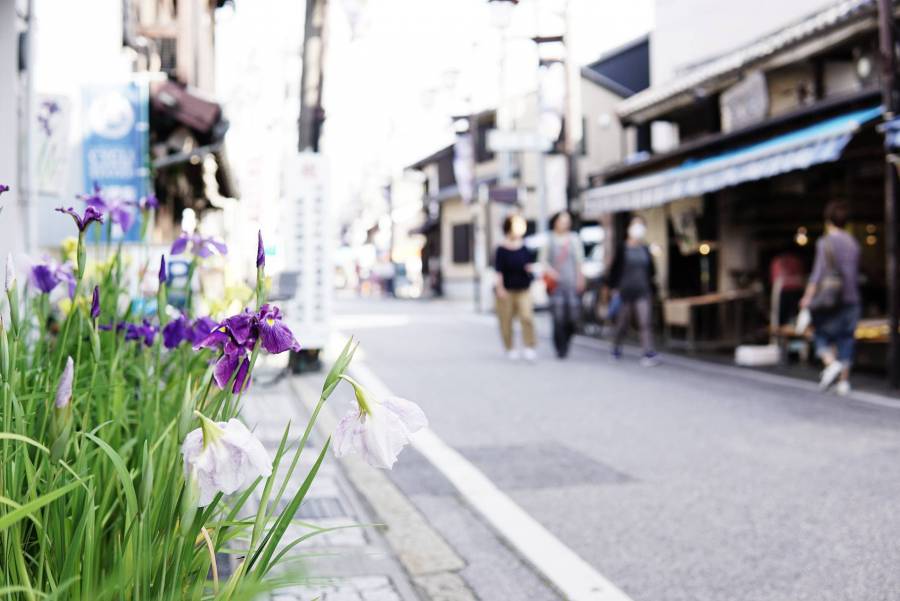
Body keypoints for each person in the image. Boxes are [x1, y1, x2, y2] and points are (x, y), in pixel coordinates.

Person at [800, 200, 860, 395]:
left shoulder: (825, 243)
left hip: (830, 299)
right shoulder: (854, 243)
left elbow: (817, 275)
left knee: (821, 334)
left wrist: (807, 298)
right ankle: (844, 382)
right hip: (852, 298)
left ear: (828, 221)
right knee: (846, 338)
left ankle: (831, 363)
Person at [607, 215, 659, 366]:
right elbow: (614, 270)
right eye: (635, 224)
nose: (638, 228)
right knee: (622, 323)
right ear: (629, 228)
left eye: (641, 225)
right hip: (624, 291)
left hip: (643, 290)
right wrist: (613, 288)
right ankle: (616, 347)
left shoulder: (645, 248)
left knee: (645, 321)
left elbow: (652, 270)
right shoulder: (622, 248)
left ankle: (647, 352)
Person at [541, 210, 585, 358]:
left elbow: (579, 261)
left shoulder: (574, 239)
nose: (565, 223)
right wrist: (551, 272)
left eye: (567, 220)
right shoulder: (549, 239)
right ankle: (561, 347)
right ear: (556, 222)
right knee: (558, 317)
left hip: (571, 283)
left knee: (573, 317)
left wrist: (581, 278)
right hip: (556, 285)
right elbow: (543, 261)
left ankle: (567, 340)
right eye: (562, 220)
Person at [494, 214, 537, 361]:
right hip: (507, 289)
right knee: (506, 320)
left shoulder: (525, 247)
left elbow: (530, 265)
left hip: (524, 288)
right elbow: (498, 271)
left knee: (527, 317)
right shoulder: (501, 248)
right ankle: (509, 347)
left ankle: (529, 346)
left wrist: (531, 269)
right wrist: (500, 288)